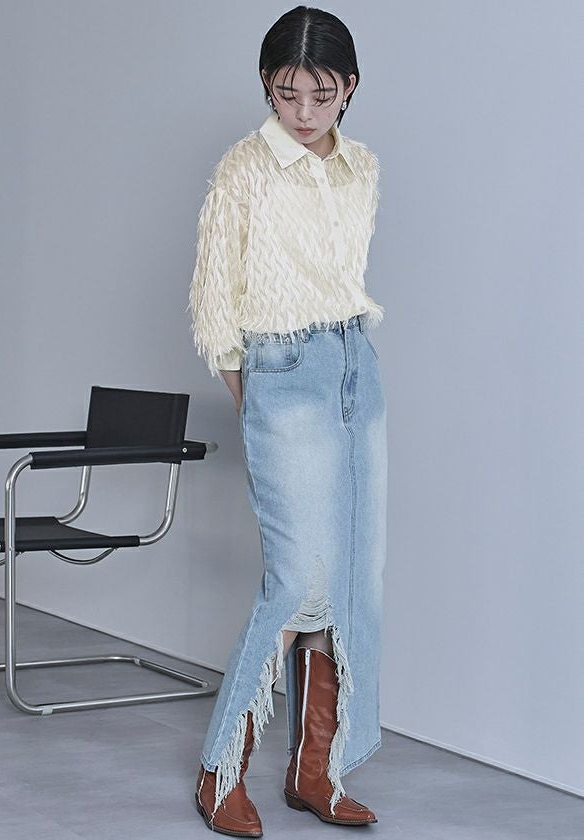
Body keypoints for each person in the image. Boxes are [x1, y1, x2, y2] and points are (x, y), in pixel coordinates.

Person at [187, 6, 387, 836]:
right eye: (286, 92)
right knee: (297, 578)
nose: (303, 110)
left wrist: (341, 372)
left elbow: (343, 277)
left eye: (321, 93)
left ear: (349, 89)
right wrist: (259, 399)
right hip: (283, 372)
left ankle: (316, 773)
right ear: (267, 87)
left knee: (351, 579)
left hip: (355, 369)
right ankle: (220, 769)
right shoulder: (244, 169)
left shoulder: (362, 167)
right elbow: (214, 307)